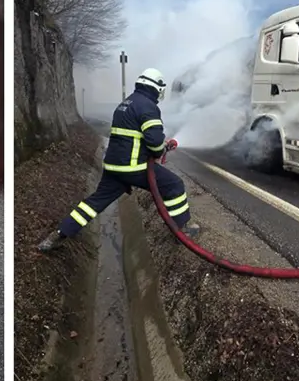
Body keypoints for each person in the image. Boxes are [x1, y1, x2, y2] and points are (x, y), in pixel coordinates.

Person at [38, 68, 200, 253]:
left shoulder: (126, 103)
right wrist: (162, 148)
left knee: (94, 203)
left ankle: (59, 234)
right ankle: (182, 230)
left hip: (113, 166)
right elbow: (155, 144)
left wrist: (159, 145)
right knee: (174, 185)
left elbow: (133, 137)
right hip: (133, 167)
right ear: (156, 88)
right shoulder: (148, 106)